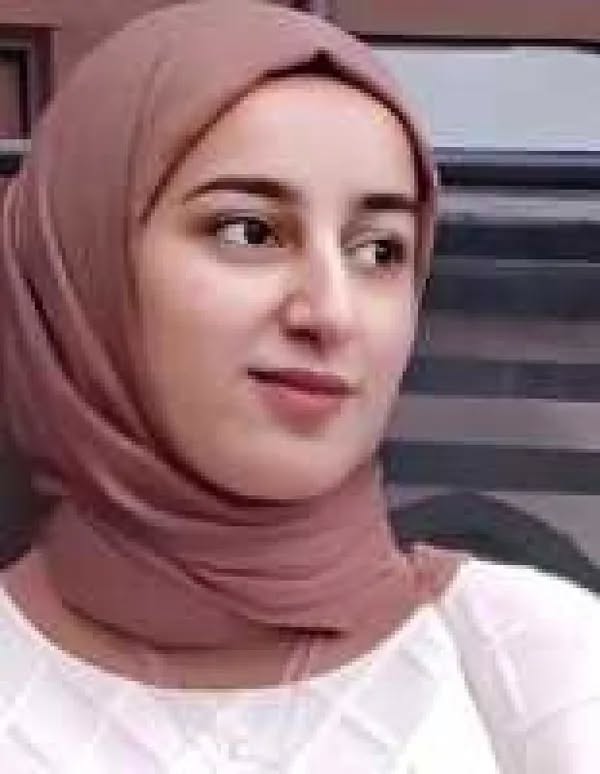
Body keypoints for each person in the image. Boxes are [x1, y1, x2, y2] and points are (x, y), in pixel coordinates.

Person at [0, 1, 599, 771]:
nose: (332, 312)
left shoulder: (536, 666)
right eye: (250, 232)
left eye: (379, 250)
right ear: (82, 271)